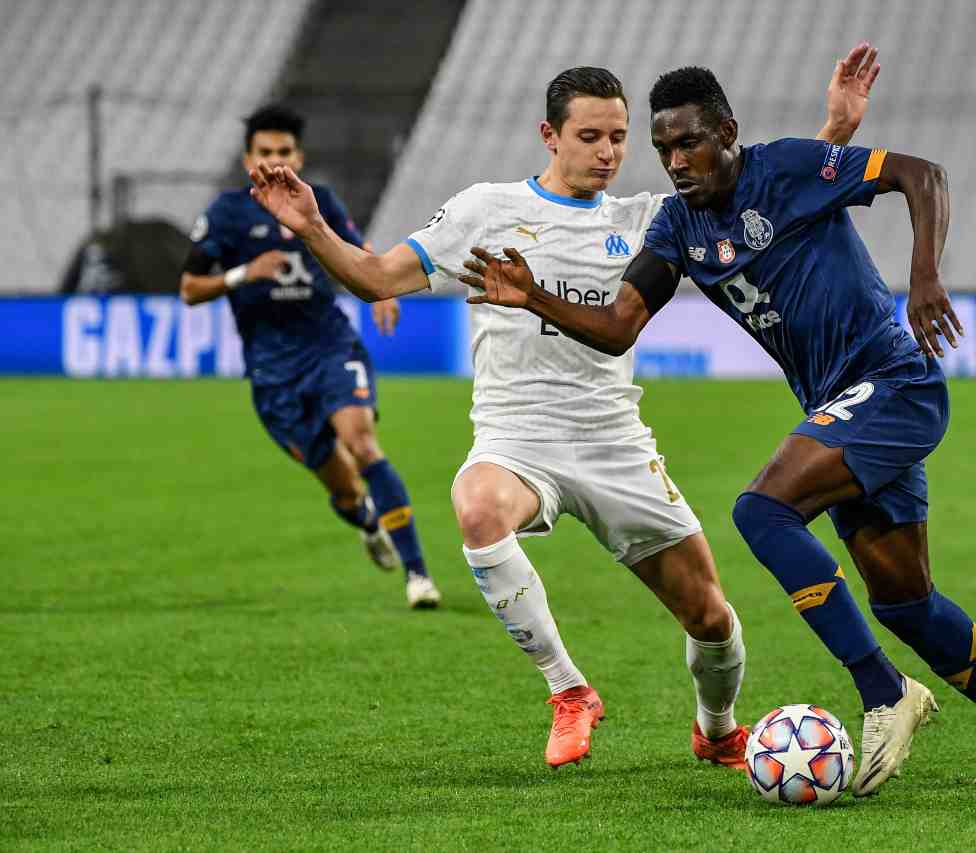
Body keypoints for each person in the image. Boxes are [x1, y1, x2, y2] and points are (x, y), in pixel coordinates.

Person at [243, 47, 881, 768]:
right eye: (590, 137)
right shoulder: (486, 211)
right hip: (517, 436)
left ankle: (718, 726)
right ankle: (569, 688)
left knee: (710, 615)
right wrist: (311, 226)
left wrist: (835, 132)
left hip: (614, 441)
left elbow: (763, 200)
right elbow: (375, 277)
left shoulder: (653, 220)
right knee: (477, 506)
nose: (609, 152)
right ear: (550, 137)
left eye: (617, 137)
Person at [461, 66, 976, 794]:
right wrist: (533, 294)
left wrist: (926, 276)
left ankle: (884, 691)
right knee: (905, 601)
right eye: (664, 150)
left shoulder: (787, 166)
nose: (677, 162)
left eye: (689, 143)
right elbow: (619, 326)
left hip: (893, 384)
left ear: (726, 133)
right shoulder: (678, 226)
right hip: (842, 406)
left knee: (762, 509)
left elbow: (921, 173)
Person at [180, 105, 440, 609]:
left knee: (362, 443)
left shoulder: (315, 201)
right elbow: (190, 288)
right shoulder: (225, 214)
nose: (274, 160)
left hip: (330, 347)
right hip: (272, 373)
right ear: (247, 158)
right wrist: (241, 275)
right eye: (264, 153)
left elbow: (354, 245)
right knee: (342, 486)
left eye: (283, 152)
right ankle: (367, 521)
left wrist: (382, 287)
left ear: (297, 155)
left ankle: (419, 575)